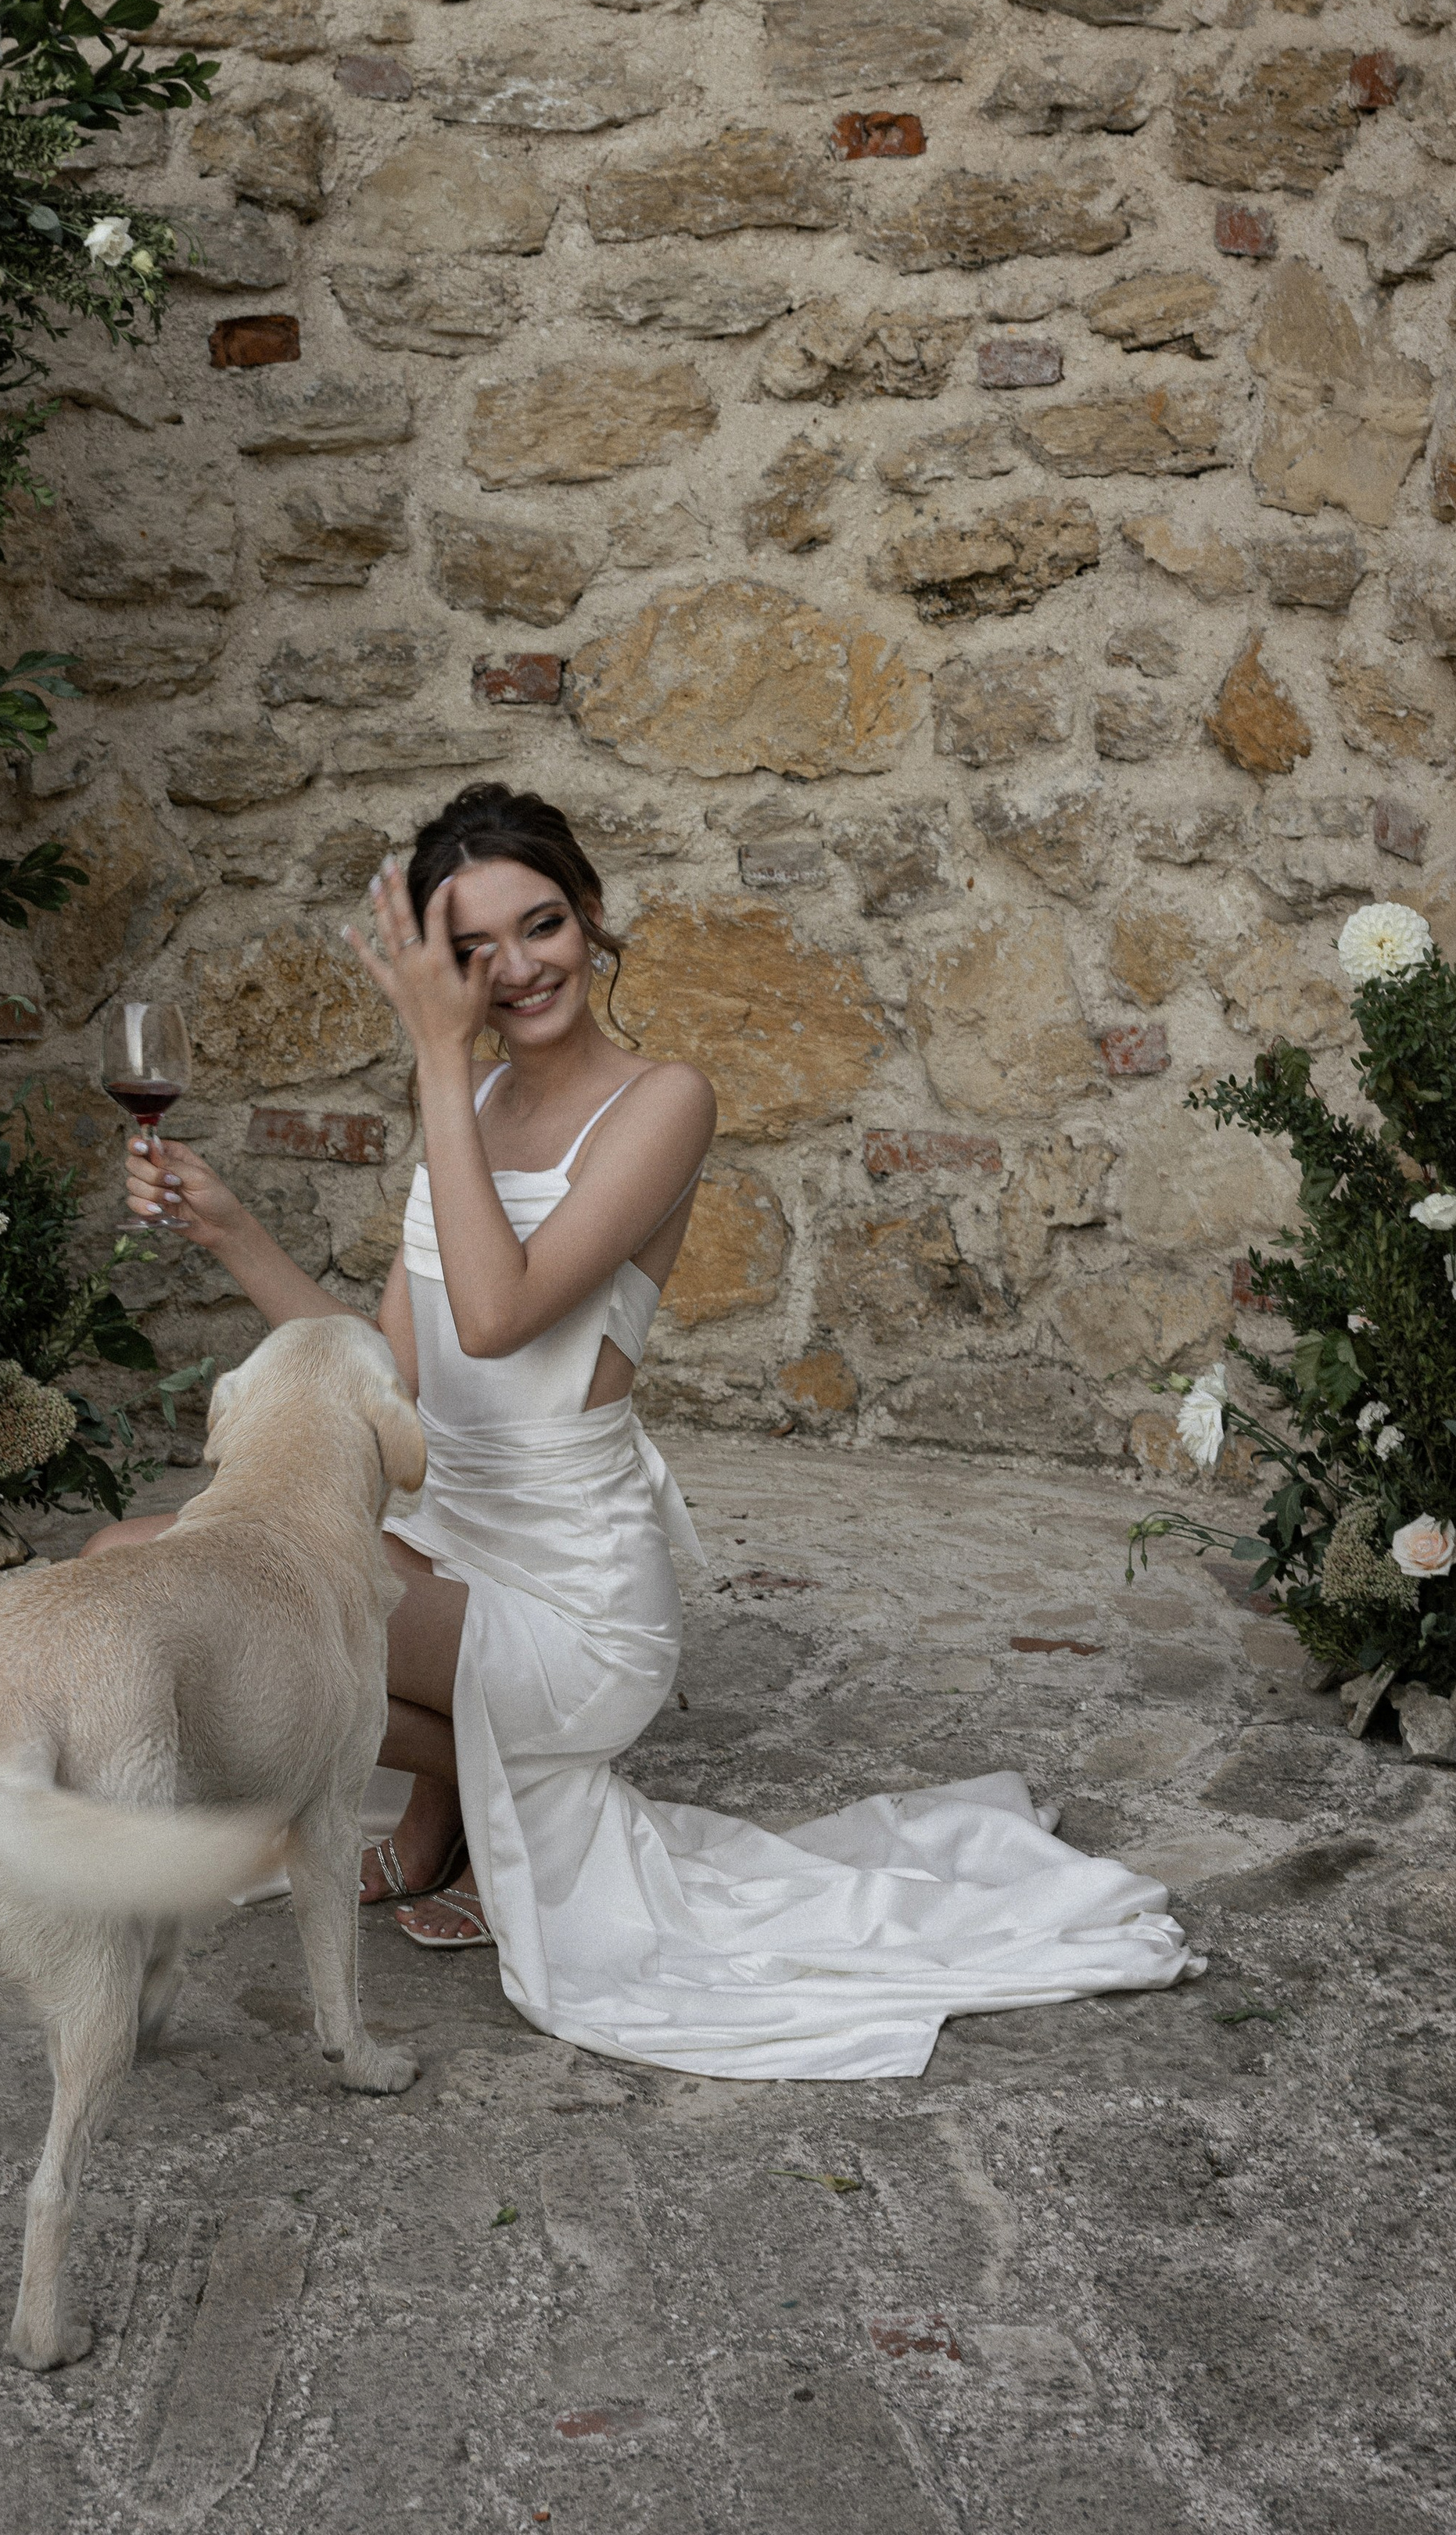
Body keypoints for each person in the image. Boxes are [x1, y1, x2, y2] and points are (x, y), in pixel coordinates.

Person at [94, 782, 1197, 2080]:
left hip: (570, 1601)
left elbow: (496, 1320)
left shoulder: (663, 1102)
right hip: (446, 1537)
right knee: (140, 1564)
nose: (514, 970)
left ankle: (482, 1798)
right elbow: (390, 1378)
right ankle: (473, 1800)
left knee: (177, 1585)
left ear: (593, 919)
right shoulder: (466, 1109)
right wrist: (234, 1234)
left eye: (542, 925)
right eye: (471, 951)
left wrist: (439, 1060)